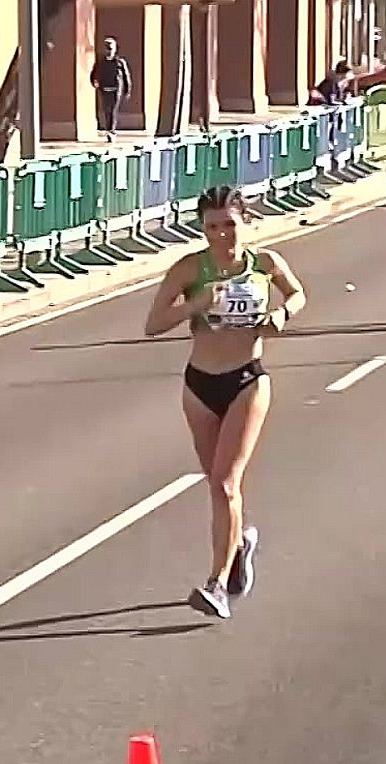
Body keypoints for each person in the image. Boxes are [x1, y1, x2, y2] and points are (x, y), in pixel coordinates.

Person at [143, 185, 308, 619]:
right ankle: (240, 543)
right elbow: (153, 324)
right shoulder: (188, 269)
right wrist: (193, 305)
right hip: (199, 386)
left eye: (229, 225)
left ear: (244, 222)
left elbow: (297, 293)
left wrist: (281, 315)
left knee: (225, 482)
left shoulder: (264, 264)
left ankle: (217, 584)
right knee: (216, 485)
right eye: (212, 227)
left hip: (247, 380)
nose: (221, 235)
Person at [90, 37, 133, 142]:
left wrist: (128, 90)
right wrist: (94, 83)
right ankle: (109, 129)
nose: (109, 51)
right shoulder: (101, 62)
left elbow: (126, 76)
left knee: (113, 110)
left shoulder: (120, 62)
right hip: (104, 89)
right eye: (107, 48)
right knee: (106, 110)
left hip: (116, 89)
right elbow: (93, 73)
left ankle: (111, 131)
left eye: (111, 48)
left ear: (115, 49)